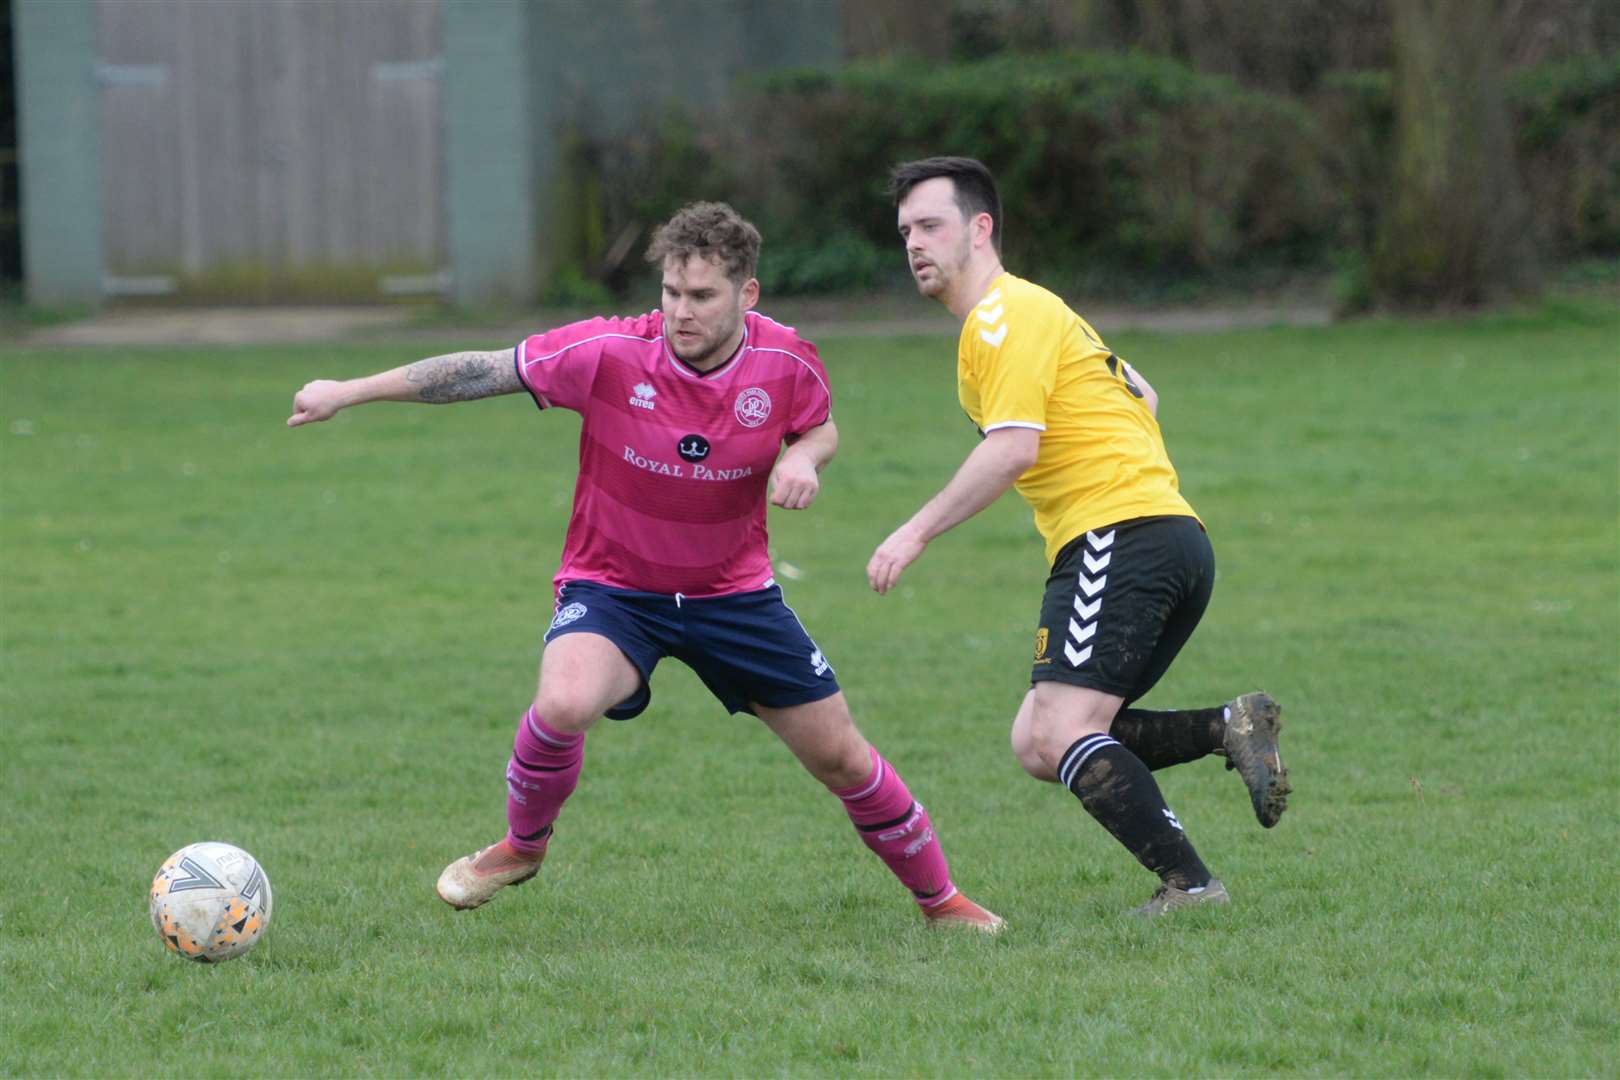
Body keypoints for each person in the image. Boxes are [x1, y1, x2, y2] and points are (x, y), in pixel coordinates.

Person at [288, 201, 1002, 931]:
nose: (680, 313)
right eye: (670, 293)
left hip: (735, 596)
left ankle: (942, 902)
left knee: (843, 758)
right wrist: (347, 392)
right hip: (615, 588)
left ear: (746, 296)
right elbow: (480, 371)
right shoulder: (607, 352)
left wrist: (804, 458)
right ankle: (521, 846)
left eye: (702, 297)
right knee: (563, 703)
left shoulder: (786, 360)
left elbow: (819, 425)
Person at [866, 157, 1290, 916]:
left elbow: (1014, 447)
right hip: (1163, 536)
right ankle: (1230, 727)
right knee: (1037, 740)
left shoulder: (1004, 315)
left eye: (930, 225)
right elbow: (1143, 395)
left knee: (1063, 727)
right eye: (905, 232)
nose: (914, 245)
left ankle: (1192, 886)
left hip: (1118, 535)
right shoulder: (1034, 313)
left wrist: (913, 531)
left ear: (980, 228)